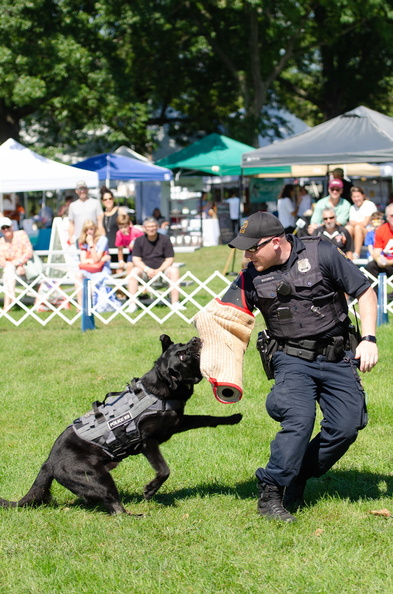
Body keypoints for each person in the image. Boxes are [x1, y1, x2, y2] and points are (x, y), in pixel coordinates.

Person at [221, 211, 378, 522]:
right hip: (289, 357)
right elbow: (222, 317)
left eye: (253, 248)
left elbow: (365, 292)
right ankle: (272, 491)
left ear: (276, 243)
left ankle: (297, 474)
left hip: (336, 354)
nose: (248, 255)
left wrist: (370, 339)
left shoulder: (322, 253)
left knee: (347, 427)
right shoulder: (250, 275)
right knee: (299, 419)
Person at [126, 217, 186, 313]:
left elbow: (169, 259)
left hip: (162, 272)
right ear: (144, 228)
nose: (151, 229)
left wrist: (159, 270)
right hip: (145, 272)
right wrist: (147, 269)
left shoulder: (165, 240)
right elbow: (136, 260)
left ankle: (175, 303)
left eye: (153, 226)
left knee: (174, 270)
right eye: (148, 227)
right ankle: (132, 304)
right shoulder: (138, 241)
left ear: (157, 227)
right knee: (133, 272)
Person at [74, 220, 119, 311]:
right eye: (87, 230)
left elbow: (96, 259)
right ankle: (81, 306)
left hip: (101, 270)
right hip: (88, 269)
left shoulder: (102, 240)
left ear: (95, 229)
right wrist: (96, 259)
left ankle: (91, 306)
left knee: (91, 283)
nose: (89, 232)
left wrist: (91, 244)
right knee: (78, 276)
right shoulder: (83, 241)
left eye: (91, 229)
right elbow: (83, 260)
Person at [0, 216, 33, 311]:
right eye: (3, 228)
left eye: (7, 227)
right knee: (8, 270)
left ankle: (7, 305)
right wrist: (11, 265)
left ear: (12, 226)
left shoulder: (21, 235)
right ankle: (11, 297)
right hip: (10, 271)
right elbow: (1, 260)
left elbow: (28, 252)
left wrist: (19, 263)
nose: (6, 229)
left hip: (25, 268)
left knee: (8, 272)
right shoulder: (1, 242)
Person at [365, 203, 393, 287]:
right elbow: (376, 252)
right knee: (371, 266)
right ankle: (374, 297)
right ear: (387, 217)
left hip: (389, 262)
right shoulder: (381, 230)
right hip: (386, 263)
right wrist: (378, 260)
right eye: (392, 215)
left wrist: (388, 262)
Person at [68, 181, 104, 246]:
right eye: (80, 189)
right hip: (79, 239)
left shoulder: (95, 203)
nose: (82, 191)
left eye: (84, 189)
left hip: (94, 238)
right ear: (76, 191)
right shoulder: (72, 205)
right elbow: (71, 224)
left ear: (87, 189)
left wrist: (102, 236)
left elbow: (100, 221)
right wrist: (70, 237)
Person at [345, 186, 377, 259]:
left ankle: (357, 253)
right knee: (348, 228)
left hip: (369, 233)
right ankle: (347, 251)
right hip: (357, 232)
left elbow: (365, 223)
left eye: (358, 196)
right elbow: (351, 223)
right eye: (354, 197)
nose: (356, 199)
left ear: (363, 196)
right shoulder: (352, 207)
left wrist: (355, 223)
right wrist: (355, 223)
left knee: (357, 228)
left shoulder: (369, 205)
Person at [100, 187, 127, 262]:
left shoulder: (120, 211)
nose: (108, 201)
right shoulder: (102, 216)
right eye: (105, 199)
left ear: (113, 199)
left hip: (120, 247)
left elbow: (128, 227)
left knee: (120, 271)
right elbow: (102, 233)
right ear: (102, 201)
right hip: (108, 248)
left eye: (110, 198)